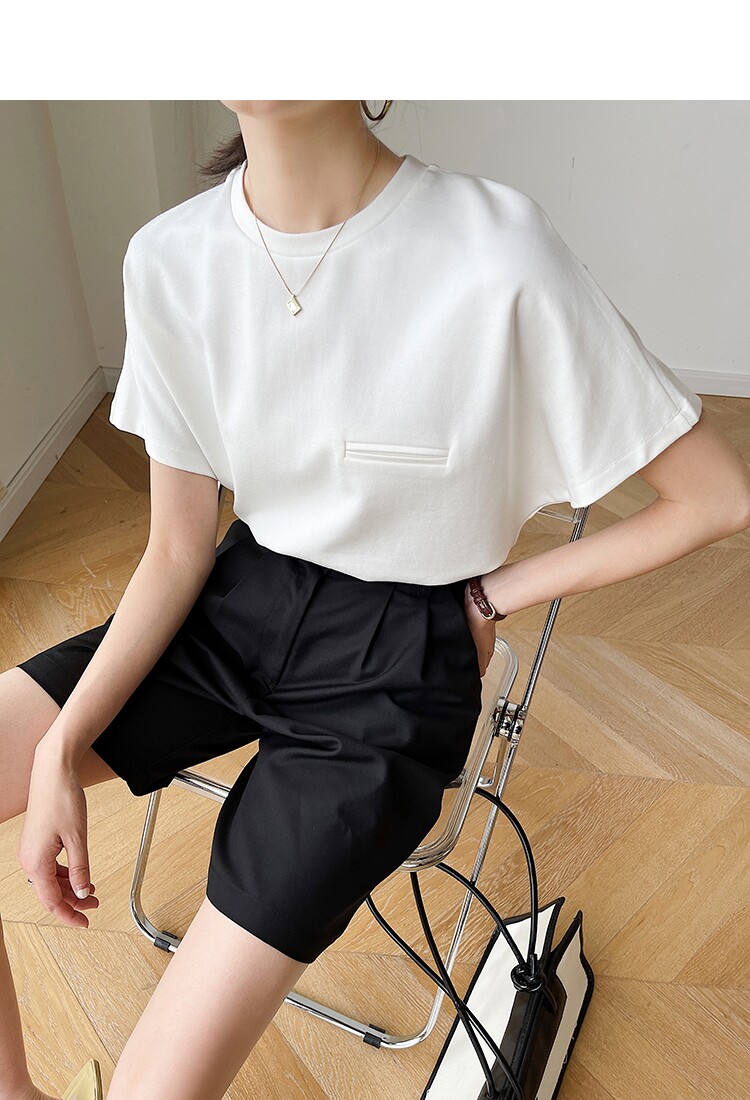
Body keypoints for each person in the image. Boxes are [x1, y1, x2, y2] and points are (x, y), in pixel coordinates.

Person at [1, 99, 749, 1100]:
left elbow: (716, 496)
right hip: (236, 600)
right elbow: (177, 549)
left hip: (401, 662)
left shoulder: (493, 246)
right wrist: (59, 745)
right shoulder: (171, 257)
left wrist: (488, 596)